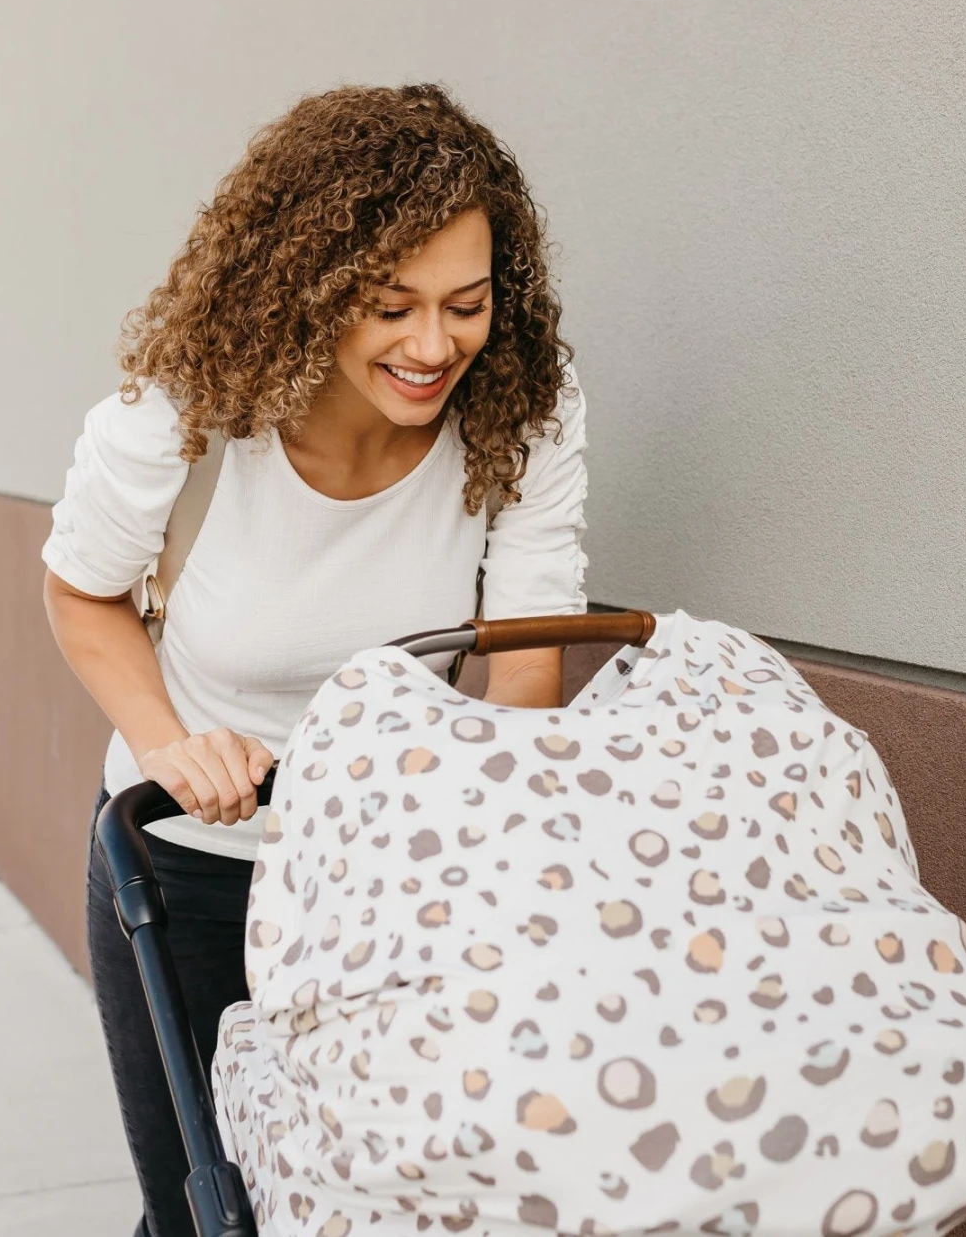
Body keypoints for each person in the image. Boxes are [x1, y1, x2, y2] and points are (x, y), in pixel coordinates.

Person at [41, 83, 588, 1237]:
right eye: (391, 308)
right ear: (309, 287)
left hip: (390, 881)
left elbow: (527, 665)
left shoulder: (521, 411)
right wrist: (173, 746)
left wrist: (494, 844)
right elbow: (82, 594)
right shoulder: (188, 414)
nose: (434, 346)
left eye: (467, 305)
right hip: (190, 867)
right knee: (206, 1210)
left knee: (371, 1204)